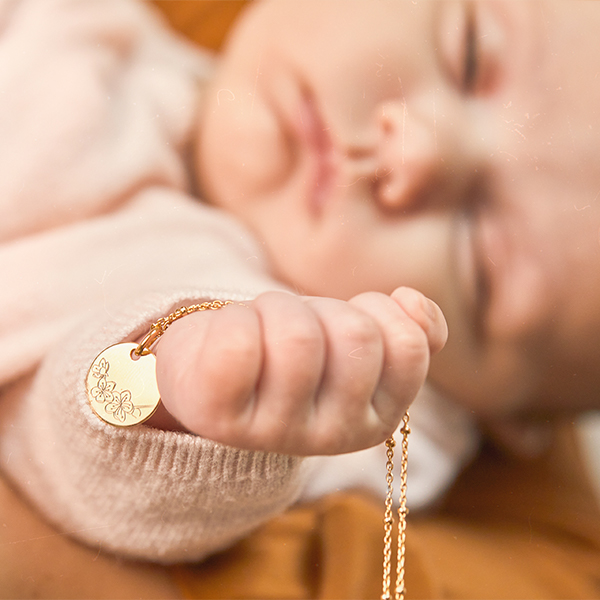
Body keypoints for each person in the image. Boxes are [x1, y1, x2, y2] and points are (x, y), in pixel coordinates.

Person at [1, 0, 600, 597]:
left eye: (481, 264)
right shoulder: (98, 29)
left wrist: (191, 403)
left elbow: (74, 457)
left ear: (498, 418)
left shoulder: (351, 401)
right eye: (467, 55)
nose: (414, 151)